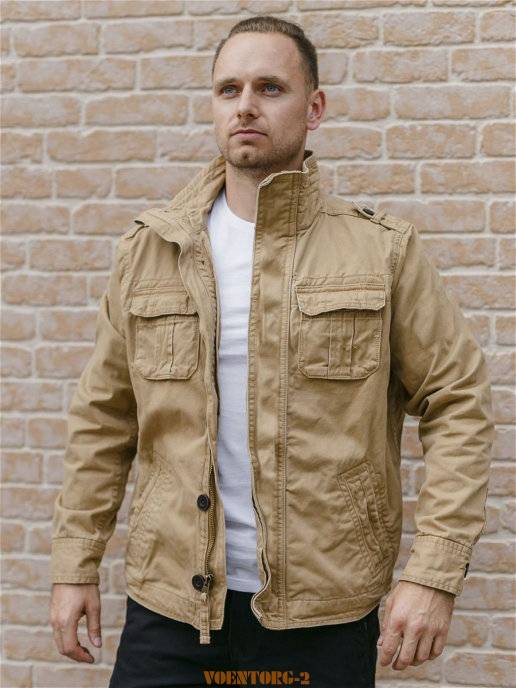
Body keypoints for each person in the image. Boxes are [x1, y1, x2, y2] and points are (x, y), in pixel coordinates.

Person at [49, 15, 495, 688]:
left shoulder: (381, 252)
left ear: (314, 109)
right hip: (171, 607)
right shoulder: (151, 252)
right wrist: (74, 564)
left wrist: (433, 572)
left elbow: (458, 402)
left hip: (321, 611)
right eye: (228, 89)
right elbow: (103, 419)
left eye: (270, 87)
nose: (246, 106)